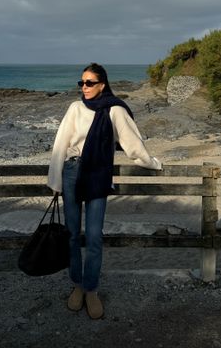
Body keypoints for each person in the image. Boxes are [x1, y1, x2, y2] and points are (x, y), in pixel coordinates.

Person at [47, 63, 162, 319]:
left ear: (102, 84)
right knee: (73, 236)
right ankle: (76, 285)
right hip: (72, 172)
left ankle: (91, 290)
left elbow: (132, 144)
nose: (84, 88)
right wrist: (55, 182)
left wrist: (153, 163)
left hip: (98, 174)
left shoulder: (115, 109)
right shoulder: (75, 108)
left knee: (95, 237)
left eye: (89, 83)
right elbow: (60, 144)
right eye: (81, 83)